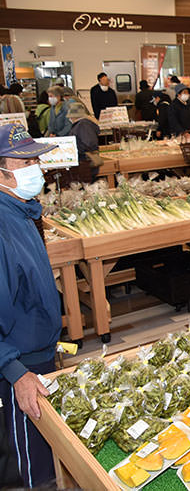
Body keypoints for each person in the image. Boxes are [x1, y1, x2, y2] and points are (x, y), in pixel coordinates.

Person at [0, 122, 61, 487]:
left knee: (44, 450)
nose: (36, 168)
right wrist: (14, 371)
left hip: (38, 351)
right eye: (25, 163)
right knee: (31, 469)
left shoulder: (21, 211)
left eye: (36, 159)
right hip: (19, 364)